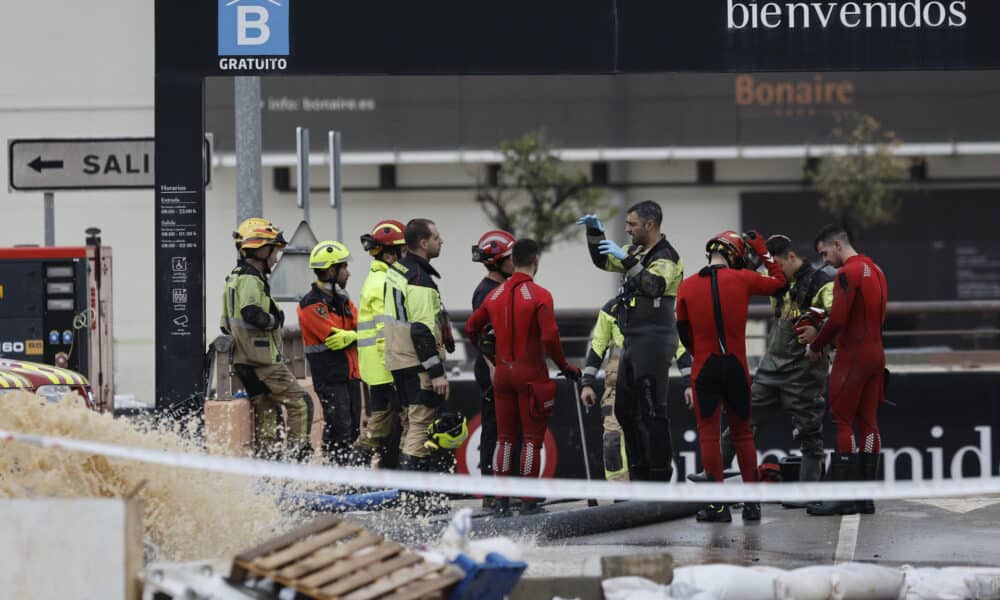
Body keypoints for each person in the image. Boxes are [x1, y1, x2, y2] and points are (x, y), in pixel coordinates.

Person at [689, 235, 834, 507]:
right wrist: (756, 253)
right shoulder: (776, 281)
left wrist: (819, 333)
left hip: (805, 370)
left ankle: (808, 492)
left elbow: (837, 316)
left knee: (810, 431)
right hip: (772, 366)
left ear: (791, 257)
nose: (771, 271)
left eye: (775, 264)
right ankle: (713, 475)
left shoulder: (821, 283)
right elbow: (735, 277)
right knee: (740, 420)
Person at [676, 230, 786, 522]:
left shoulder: (686, 287)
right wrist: (763, 250)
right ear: (736, 255)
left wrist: (700, 352)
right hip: (736, 367)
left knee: (709, 436)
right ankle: (753, 506)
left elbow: (683, 332)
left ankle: (717, 507)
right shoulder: (743, 279)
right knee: (743, 434)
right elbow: (780, 282)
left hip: (705, 367)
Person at [465, 238, 581, 516]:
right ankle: (528, 499)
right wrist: (565, 366)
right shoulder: (540, 295)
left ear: (512, 260)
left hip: (503, 374)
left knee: (504, 437)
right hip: (531, 375)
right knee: (531, 439)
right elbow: (550, 337)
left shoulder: (494, 295)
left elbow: (471, 328)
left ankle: (501, 499)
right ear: (536, 261)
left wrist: (490, 356)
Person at [576, 201, 684, 482]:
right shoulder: (635, 251)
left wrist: (628, 261)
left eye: (631, 224)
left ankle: (659, 477)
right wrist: (594, 235)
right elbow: (602, 260)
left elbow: (653, 285)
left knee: (653, 412)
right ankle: (639, 472)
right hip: (632, 341)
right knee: (624, 410)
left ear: (649, 225)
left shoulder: (666, 257)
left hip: (655, 340)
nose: (626, 230)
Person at [805, 224, 887, 517]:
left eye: (824, 253)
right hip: (876, 355)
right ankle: (865, 498)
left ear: (837, 245)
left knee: (842, 420)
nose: (824, 260)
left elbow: (838, 319)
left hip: (852, 356)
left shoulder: (846, 274)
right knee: (868, 424)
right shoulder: (876, 270)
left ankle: (844, 497)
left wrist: (816, 345)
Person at [221, 217, 313, 460]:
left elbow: (225, 324)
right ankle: (296, 458)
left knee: (269, 411)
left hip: (244, 360)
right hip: (261, 359)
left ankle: (269, 464)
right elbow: (251, 312)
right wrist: (274, 321)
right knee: (301, 403)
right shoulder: (251, 279)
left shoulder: (234, 278)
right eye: (274, 251)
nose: (276, 257)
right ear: (261, 249)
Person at [579, 297, 693, 481]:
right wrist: (587, 382)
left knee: (649, 432)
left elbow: (679, 346)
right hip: (617, 384)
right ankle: (621, 493)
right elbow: (597, 345)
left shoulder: (660, 310)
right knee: (613, 439)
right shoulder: (612, 308)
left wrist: (689, 381)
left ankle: (650, 484)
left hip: (648, 380)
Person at [382, 218, 457, 474]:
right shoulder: (419, 279)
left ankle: (407, 494)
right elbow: (421, 329)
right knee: (421, 425)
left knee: (409, 423)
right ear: (423, 243)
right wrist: (436, 373)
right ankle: (415, 497)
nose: (441, 241)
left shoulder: (397, 270)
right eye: (437, 238)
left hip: (398, 360)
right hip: (417, 363)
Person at [297, 240, 362, 465]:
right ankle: (336, 479)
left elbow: (360, 324)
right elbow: (333, 336)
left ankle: (347, 480)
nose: (348, 273)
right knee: (339, 431)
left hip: (351, 375)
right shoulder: (311, 304)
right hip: (330, 378)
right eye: (344, 268)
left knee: (352, 429)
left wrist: (353, 335)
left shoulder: (343, 300)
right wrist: (354, 334)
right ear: (331, 270)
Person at [353, 219, 408, 467]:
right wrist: (395, 366)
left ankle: (361, 472)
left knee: (383, 423)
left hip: (377, 367)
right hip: (385, 367)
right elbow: (383, 329)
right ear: (389, 254)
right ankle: (353, 472)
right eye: (402, 251)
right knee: (385, 424)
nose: (405, 255)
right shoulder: (384, 281)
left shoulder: (378, 277)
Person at [470, 230, 516, 498]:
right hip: (492, 369)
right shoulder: (487, 292)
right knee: (494, 428)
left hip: (502, 366)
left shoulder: (500, 288)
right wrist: (496, 371)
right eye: (510, 257)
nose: (514, 262)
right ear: (497, 262)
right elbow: (486, 337)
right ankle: (491, 491)